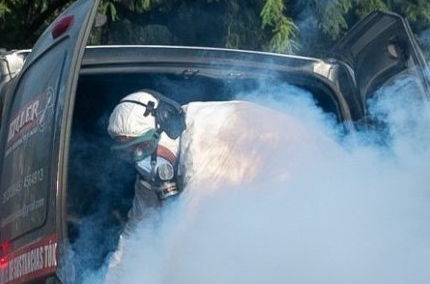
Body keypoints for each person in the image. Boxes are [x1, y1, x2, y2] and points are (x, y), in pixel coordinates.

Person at [106, 89, 335, 226]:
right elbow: (137, 233)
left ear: (167, 124)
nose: (139, 158)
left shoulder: (207, 137)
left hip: (317, 189)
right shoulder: (151, 171)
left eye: (143, 146)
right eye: (130, 153)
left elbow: (190, 231)